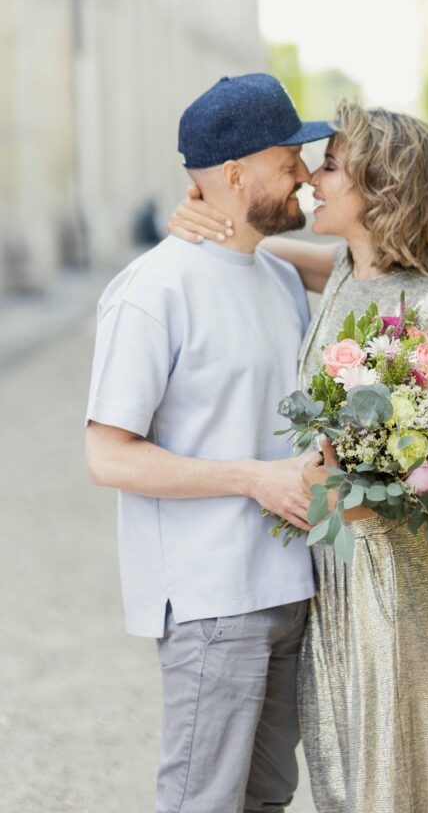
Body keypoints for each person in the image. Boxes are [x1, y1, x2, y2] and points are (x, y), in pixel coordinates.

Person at [169, 100, 428, 813]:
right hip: (327, 578)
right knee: (343, 776)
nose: (311, 179)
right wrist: (199, 211)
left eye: (330, 168)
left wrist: (368, 486)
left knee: (389, 782)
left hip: (390, 583)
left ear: (379, 192)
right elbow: (253, 243)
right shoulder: (338, 272)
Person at [85, 72, 335, 813]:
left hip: (294, 587)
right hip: (211, 597)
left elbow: (383, 273)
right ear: (233, 175)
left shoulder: (281, 277)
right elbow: (107, 455)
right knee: (203, 800)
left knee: (266, 799)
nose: (304, 173)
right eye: (288, 157)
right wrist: (255, 479)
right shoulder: (151, 292)